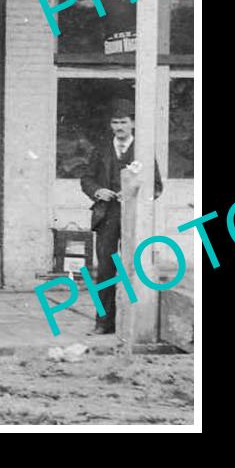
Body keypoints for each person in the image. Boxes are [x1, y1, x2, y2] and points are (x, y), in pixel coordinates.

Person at [80, 98, 164, 335]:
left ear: (133, 124)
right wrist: (98, 191)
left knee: (135, 268)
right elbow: (86, 178)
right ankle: (103, 322)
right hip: (106, 216)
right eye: (115, 122)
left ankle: (135, 324)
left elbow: (157, 186)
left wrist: (135, 197)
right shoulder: (101, 150)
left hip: (134, 219)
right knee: (105, 269)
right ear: (110, 125)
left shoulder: (143, 150)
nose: (119, 127)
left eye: (124, 122)